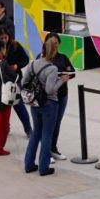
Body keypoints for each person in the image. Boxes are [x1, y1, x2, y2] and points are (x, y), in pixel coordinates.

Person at [23, 37, 70, 175]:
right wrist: (62, 80)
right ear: (54, 52)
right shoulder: (52, 69)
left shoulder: (33, 64)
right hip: (49, 104)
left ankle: (29, 164)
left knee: (36, 133)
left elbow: (25, 82)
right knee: (47, 134)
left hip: (35, 102)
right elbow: (50, 89)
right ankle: (44, 167)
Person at [0, 26, 32, 137]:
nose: (4, 40)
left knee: (18, 105)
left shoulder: (15, 46)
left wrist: (17, 65)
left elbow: (25, 59)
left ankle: (28, 129)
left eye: (6, 37)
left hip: (14, 80)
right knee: (3, 106)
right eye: (1, 38)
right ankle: (6, 127)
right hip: (0, 80)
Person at [45, 32, 76, 160]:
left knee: (57, 123)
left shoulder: (62, 58)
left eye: (56, 42)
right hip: (49, 98)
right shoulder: (42, 59)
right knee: (48, 125)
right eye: (52, 42)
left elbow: (72, 72)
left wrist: (67, 76)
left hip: (62, 95)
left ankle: (53, 149)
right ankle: (45, 152)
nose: (54, 45)